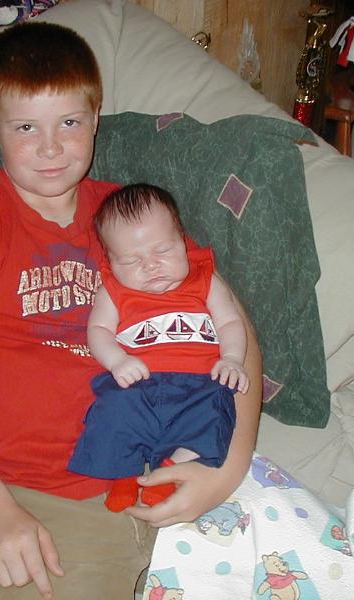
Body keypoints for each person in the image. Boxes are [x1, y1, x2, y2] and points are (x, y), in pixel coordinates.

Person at [0, 20, 262, 600]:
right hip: (40, 497)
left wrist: (227, 468)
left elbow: (231, 323)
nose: (50, 148)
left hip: (174, 462)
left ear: (96, 118)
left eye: (70, 123)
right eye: (26, 127)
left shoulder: (129, 217)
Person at [68, 184, 250, 513]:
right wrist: (117, 361)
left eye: (163, 251)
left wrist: (233, 358)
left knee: (214, 417)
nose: (151, 266)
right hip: (139, 382)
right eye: (131, 260)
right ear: (110, 262)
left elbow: (229, 322)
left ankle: (169, 470)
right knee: (114, 413)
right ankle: (123, 477)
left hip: (201, 384)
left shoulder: (205, 281)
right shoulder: (114, 291)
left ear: (183, 241)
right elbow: (98, 330)